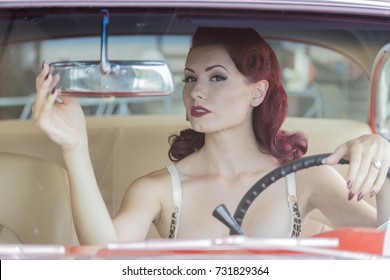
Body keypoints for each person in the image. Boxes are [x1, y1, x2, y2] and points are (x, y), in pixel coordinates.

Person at [33, 27, 390, 245]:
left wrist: (383, 158)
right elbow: (101, 252)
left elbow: (382, 236)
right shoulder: (157, 190)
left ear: (257, 92)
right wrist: (75, 145)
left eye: (216, 77)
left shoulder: (306, 177)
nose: (196, 93)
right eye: (190, 78)